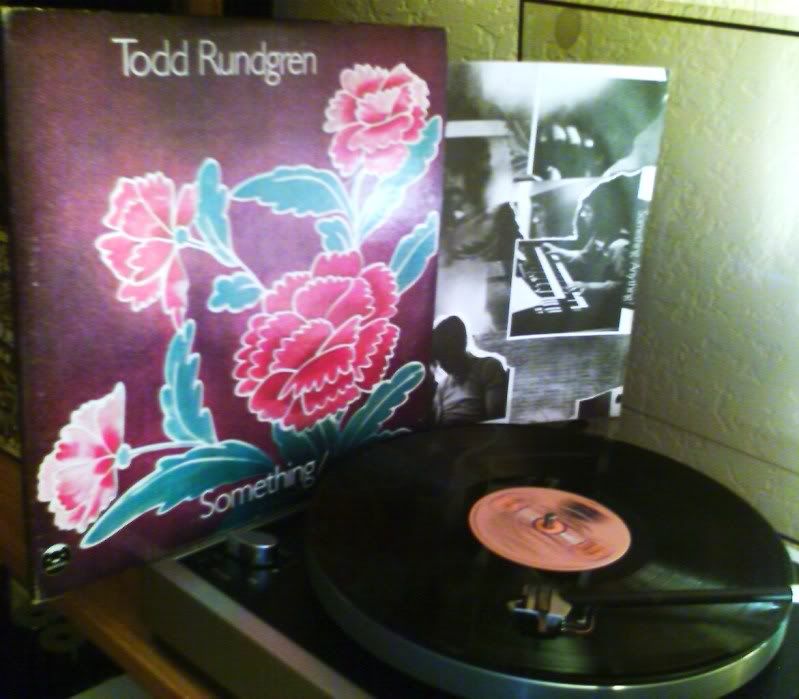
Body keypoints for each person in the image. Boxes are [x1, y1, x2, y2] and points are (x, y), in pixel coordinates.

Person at [431, 316, 508, 425]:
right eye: (439, 358)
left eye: (446, 355)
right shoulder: (442, 387)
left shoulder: (488, 368)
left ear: (461, 345)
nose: (442, 365)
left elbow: (495, 419)